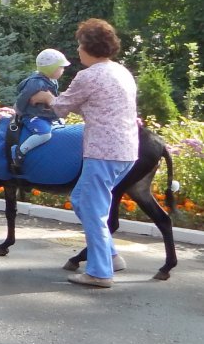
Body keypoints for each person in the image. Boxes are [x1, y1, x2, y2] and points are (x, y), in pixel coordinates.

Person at [32, 19, 138, 288]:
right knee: (83, 199)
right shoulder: (121, 71)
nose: (78, 50)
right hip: (126, 151)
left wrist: (46, 98)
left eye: (80, 45)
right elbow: (96, 106)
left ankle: (100, 273)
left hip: (103, 152)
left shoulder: (88, 76)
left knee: (91, 208)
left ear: (89, 47)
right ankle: (110, 256)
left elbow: (61, 107)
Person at [10, 48, 71, 172]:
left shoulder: (52, 81)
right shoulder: (36, 83)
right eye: (60, 67)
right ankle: (20, 151)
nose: (63, 70)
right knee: (44, 134)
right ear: (50, 68)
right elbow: (23, 97)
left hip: (42, 113)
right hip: (32, 115)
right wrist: (19, 111)